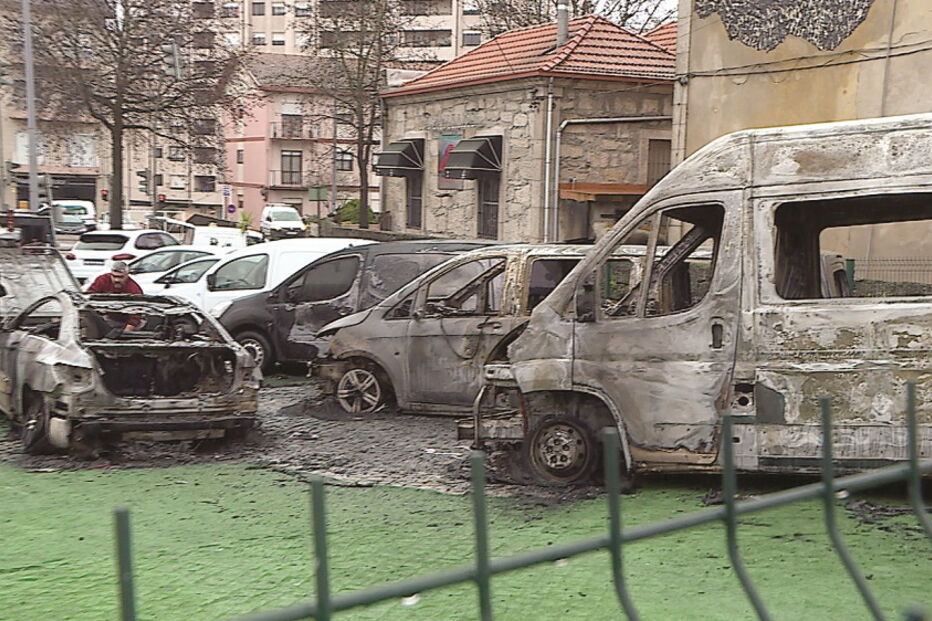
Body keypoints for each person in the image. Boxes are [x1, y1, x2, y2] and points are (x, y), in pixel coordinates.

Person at [86, 261, 143, 332]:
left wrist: (126, 333)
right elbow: (88, 297)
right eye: (114, 276)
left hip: (128, 323)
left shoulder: (134, 289)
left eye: (120, 277)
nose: (117, 280)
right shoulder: (102, 280)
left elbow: (136, 315)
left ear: (127, 275)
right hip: (109, 319)